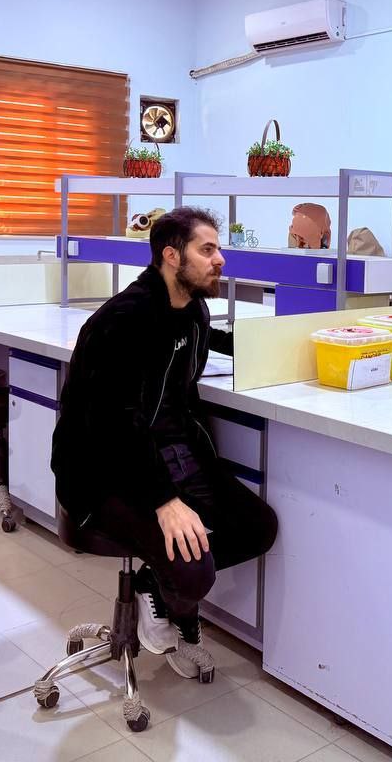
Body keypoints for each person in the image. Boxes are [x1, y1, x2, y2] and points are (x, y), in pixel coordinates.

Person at [52, 207, 277, 680]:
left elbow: (181, 395)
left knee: (257, 526)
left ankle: (153, 582)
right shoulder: (123, 321)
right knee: (196, 570)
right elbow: (111, 428)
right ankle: (177, 604)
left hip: (173, 453)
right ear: (172, 256)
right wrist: (164, 499)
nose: (221, 261)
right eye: (208, 249)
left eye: (219, 249)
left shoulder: (193, 311)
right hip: (104, 470)